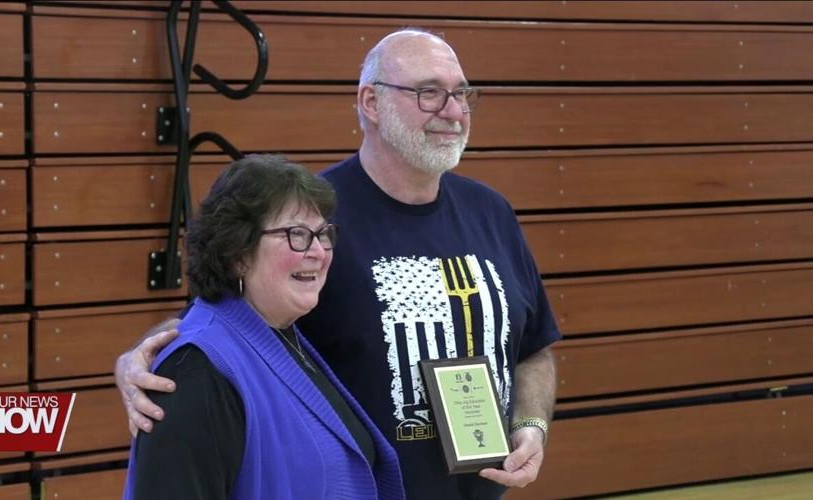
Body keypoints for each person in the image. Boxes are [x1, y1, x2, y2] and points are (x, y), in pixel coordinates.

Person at [117, 29, 560, 499]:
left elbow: (533, 348)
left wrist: (531, 426)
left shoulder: (491, 212)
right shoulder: (311, 219)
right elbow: (221, 322)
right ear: (371, 102)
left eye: (462, 94)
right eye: (429, 93)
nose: (453, 111)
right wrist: (142, 358)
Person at [123, 155, 405, 500]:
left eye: (322, 234)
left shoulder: (284, 334)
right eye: (297, 234)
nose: (318, 251)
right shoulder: (196, 371)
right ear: (238, 253)